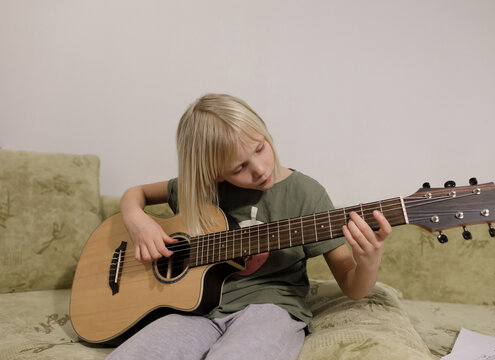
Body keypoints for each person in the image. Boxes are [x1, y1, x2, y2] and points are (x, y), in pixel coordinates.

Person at [106, 93, 391, 360]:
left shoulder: (306, 194)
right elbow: (136, 193)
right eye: (239, 168)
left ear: (264, 130)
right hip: (193, 311)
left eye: (260, 147)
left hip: (270, 308)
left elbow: (352, 288)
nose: (260, 168)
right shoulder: (200, 191)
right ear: (214, 173)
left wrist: (368, 261)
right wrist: (137, 221)